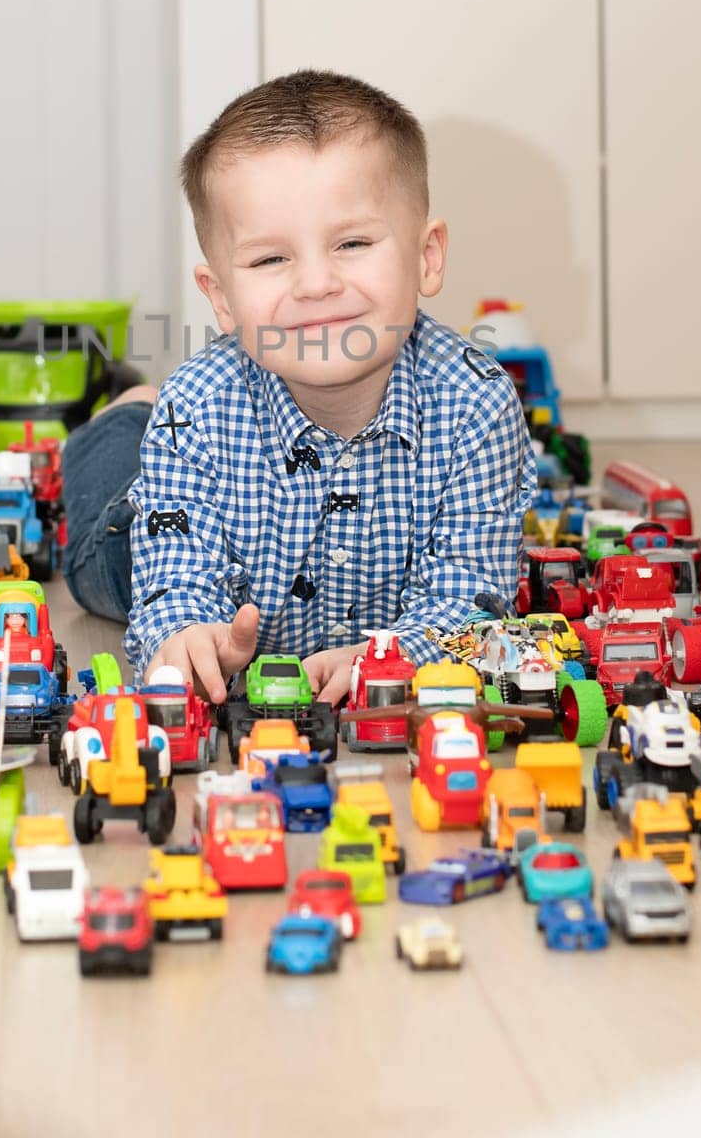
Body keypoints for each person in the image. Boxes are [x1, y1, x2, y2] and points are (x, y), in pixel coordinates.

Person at [63, 68, 536, 706]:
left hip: (353, 614)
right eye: (270, 259)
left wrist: (392, 654)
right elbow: (172, 589)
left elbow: (471, 599)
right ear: (222, 298)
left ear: (426, 256)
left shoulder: (477, 402)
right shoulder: (198, 406)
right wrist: (188, 637)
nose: (315, 284)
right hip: (145, 541)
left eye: (352, 242)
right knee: (98, 559)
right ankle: (121, 423)